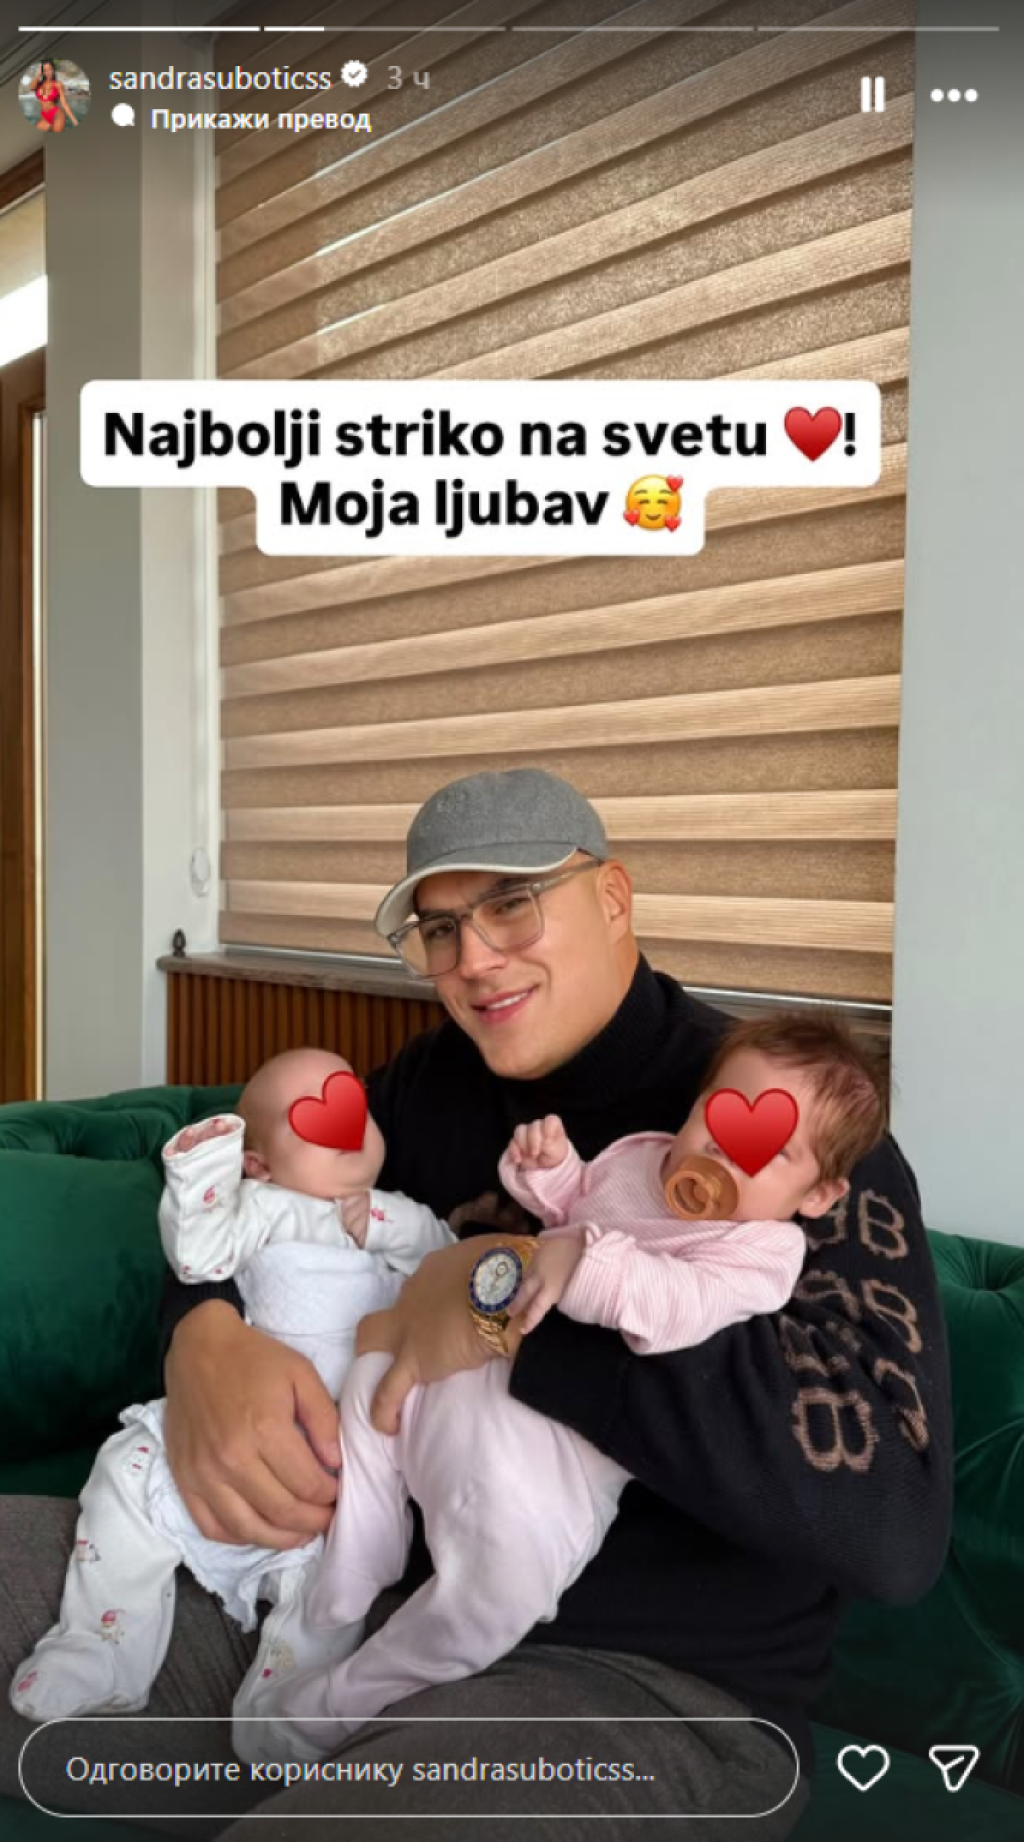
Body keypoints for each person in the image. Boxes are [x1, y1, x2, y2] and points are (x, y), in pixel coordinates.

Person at [0, 768, 952, 1840]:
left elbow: (889, 1523)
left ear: (613, 897)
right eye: (440, 928)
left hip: (638, 1690)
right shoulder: (430, 1082)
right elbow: (271, 1182)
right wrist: (203, 1334)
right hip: (325, 1601)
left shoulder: (799, 1135)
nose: (473, 959)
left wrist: (497, 1303)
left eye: (512, 904)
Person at [230, 1012, 884, 1767]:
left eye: (770, 1149)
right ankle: (354, 1570)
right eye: (718, 1117)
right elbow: (575, 1205)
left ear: (818, 1193)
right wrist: (548, 1171)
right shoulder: (644, 1159)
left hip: (551, 1461)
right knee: (369, 1378)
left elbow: (676, 1310)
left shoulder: (762, 1252)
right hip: (460, 1376)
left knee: (495, 1596)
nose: (722, 1152)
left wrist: (583, 1263)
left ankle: (337, 1704)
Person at [8, 1048, 452, 1727]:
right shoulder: (262, 1209)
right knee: (124, 1471)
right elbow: (198, 1256)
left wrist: (384, 1224)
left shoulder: (400, 1220)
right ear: (259, 1164)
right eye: (312, 1116)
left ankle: (290, 1697)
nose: (347, 1126)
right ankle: (102, 1645)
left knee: (341, 1576)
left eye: (352, 1105)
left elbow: (448, 1269)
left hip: (343, 1463)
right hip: (224, 1428)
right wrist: (204, 1170)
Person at [33, 60, 78, 133]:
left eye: (50, 69)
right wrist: (38, 74)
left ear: (53, 70)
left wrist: (74, 120)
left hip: (57, 114)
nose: (48, 72)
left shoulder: (58, 84)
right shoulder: (39, 84)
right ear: (42, 72)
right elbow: (32, 87)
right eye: (45, 70)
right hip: (44, 115)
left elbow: (64, 104)